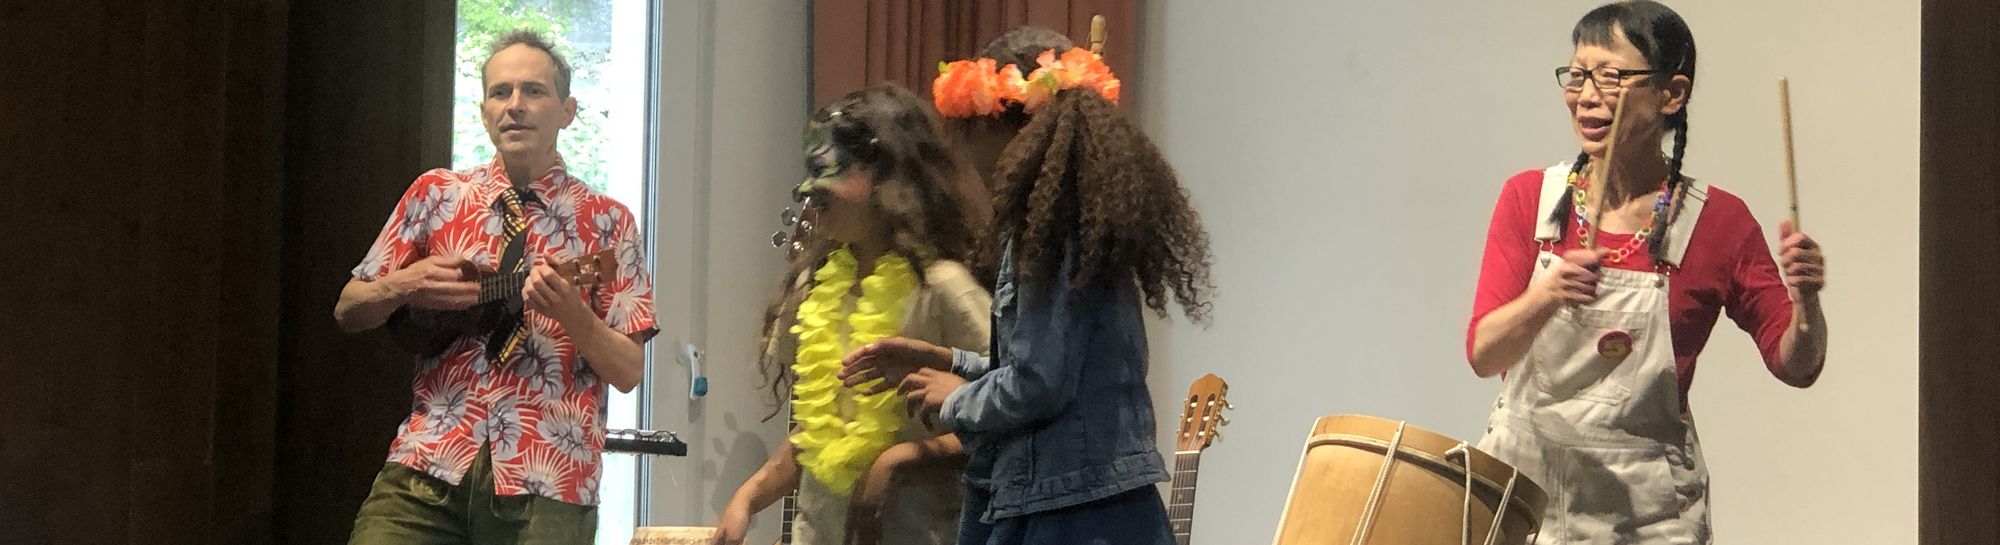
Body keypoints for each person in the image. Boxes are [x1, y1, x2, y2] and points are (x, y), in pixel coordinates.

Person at [1465, 3, 1828, 542]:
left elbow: (1796, 365)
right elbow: (1484, 354)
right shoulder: (1529, 198)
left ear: (1671, 95)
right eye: (1577, 75)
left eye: (1611, 77)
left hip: (1646, 516)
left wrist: (1807, 301)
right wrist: (1546, 294)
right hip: (1523, 499)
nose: (1587, 95)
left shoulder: (1718, 222)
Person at [841, 49, 1210, 545]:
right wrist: (951, 361)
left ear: (1013, 132)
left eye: (969, 130)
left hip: (1075, 516)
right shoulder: (1064, 228)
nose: (964, 155)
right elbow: (1042, 367)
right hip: (1084, 503)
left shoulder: (1052, 236)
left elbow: (1038, 383)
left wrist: (957, 398)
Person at [332, 30, 657, 545]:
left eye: (534, 91)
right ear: (484, 113)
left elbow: (629, 371)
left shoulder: (610, 223)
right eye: (500, 92)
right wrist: (404, 283)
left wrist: (575, 316)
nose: (515, 105)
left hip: (550, 476)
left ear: (568, 111)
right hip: (428, 461)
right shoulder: (435, 194)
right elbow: (348, 310)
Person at [715, 84, 993, 545]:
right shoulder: (816, 285)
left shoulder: (942, 286)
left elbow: (1011, 415)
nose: (814, 194)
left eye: (831, 173)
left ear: (887, 176)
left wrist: (902, 458)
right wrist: (749, 494)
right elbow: (819, 436)